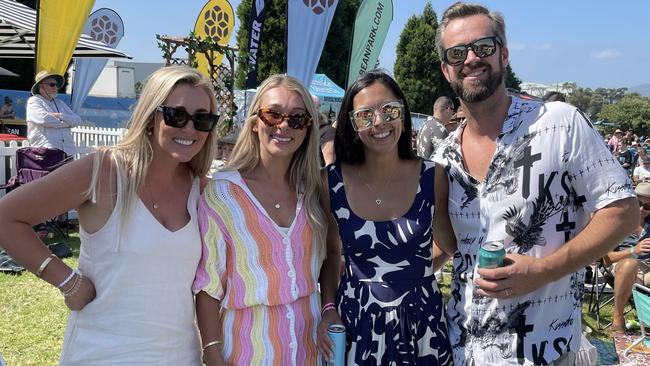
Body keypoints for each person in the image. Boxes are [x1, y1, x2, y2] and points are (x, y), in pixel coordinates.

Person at [432, 2, 637, 365]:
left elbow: (622, 212)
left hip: (543, 350)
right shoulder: (444, 160)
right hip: (462, 348)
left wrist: (543, 271)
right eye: (457, 53)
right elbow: (448, 246)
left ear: (504, 53)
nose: (471, 59)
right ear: (447, 70)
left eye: (483, 47)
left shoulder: (559, 124)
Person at [0, 65, 220, 364]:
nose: (190, 129)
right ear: (151, 116)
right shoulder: (103, 171)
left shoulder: (202, 190)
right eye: (176, 115)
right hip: (102, 354)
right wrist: (66, 281)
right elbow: (7, 217)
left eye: (203, 119)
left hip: (180, 356)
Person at [193, 74, 338, 365]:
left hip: (310, 351)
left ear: (308, 128)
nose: (284, 125)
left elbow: (330, 259)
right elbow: (208, 287)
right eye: (273, 114)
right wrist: (211, 353)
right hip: (249, 353)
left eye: (297, 118)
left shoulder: (312, 190)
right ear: (256, 121)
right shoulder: (223, 194)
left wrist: (329, 307)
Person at [317, 70, 454, 365]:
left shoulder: (433, 177)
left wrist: (415, 275)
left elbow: (448, 245)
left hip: (421, 324)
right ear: (353, 126)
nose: (379, 122)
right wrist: (328, 307)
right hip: (355, 322)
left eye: (389, 110)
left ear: (403, 116)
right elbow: (330, 253)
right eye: (365, 115)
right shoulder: (330, 182)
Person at [603, 182, 650, 332]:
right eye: (638, 203)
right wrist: (634, 250)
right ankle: (618, 317)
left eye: (648, 206)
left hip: (647, 268)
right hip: (621, 264)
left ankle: (647, 321)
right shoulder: (617, 220)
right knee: (630, 264)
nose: (642, 209)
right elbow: (607, 258)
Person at [26, 71, 83, 156]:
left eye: (56, 85)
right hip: (46, 151)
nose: (56, 87)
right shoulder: (34, 101)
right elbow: (44, 119)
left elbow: (78, 120)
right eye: (52, 84)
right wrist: (68, 123)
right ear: (41, 86)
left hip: (68, 151)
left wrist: (60, 115)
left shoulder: (60, 103)